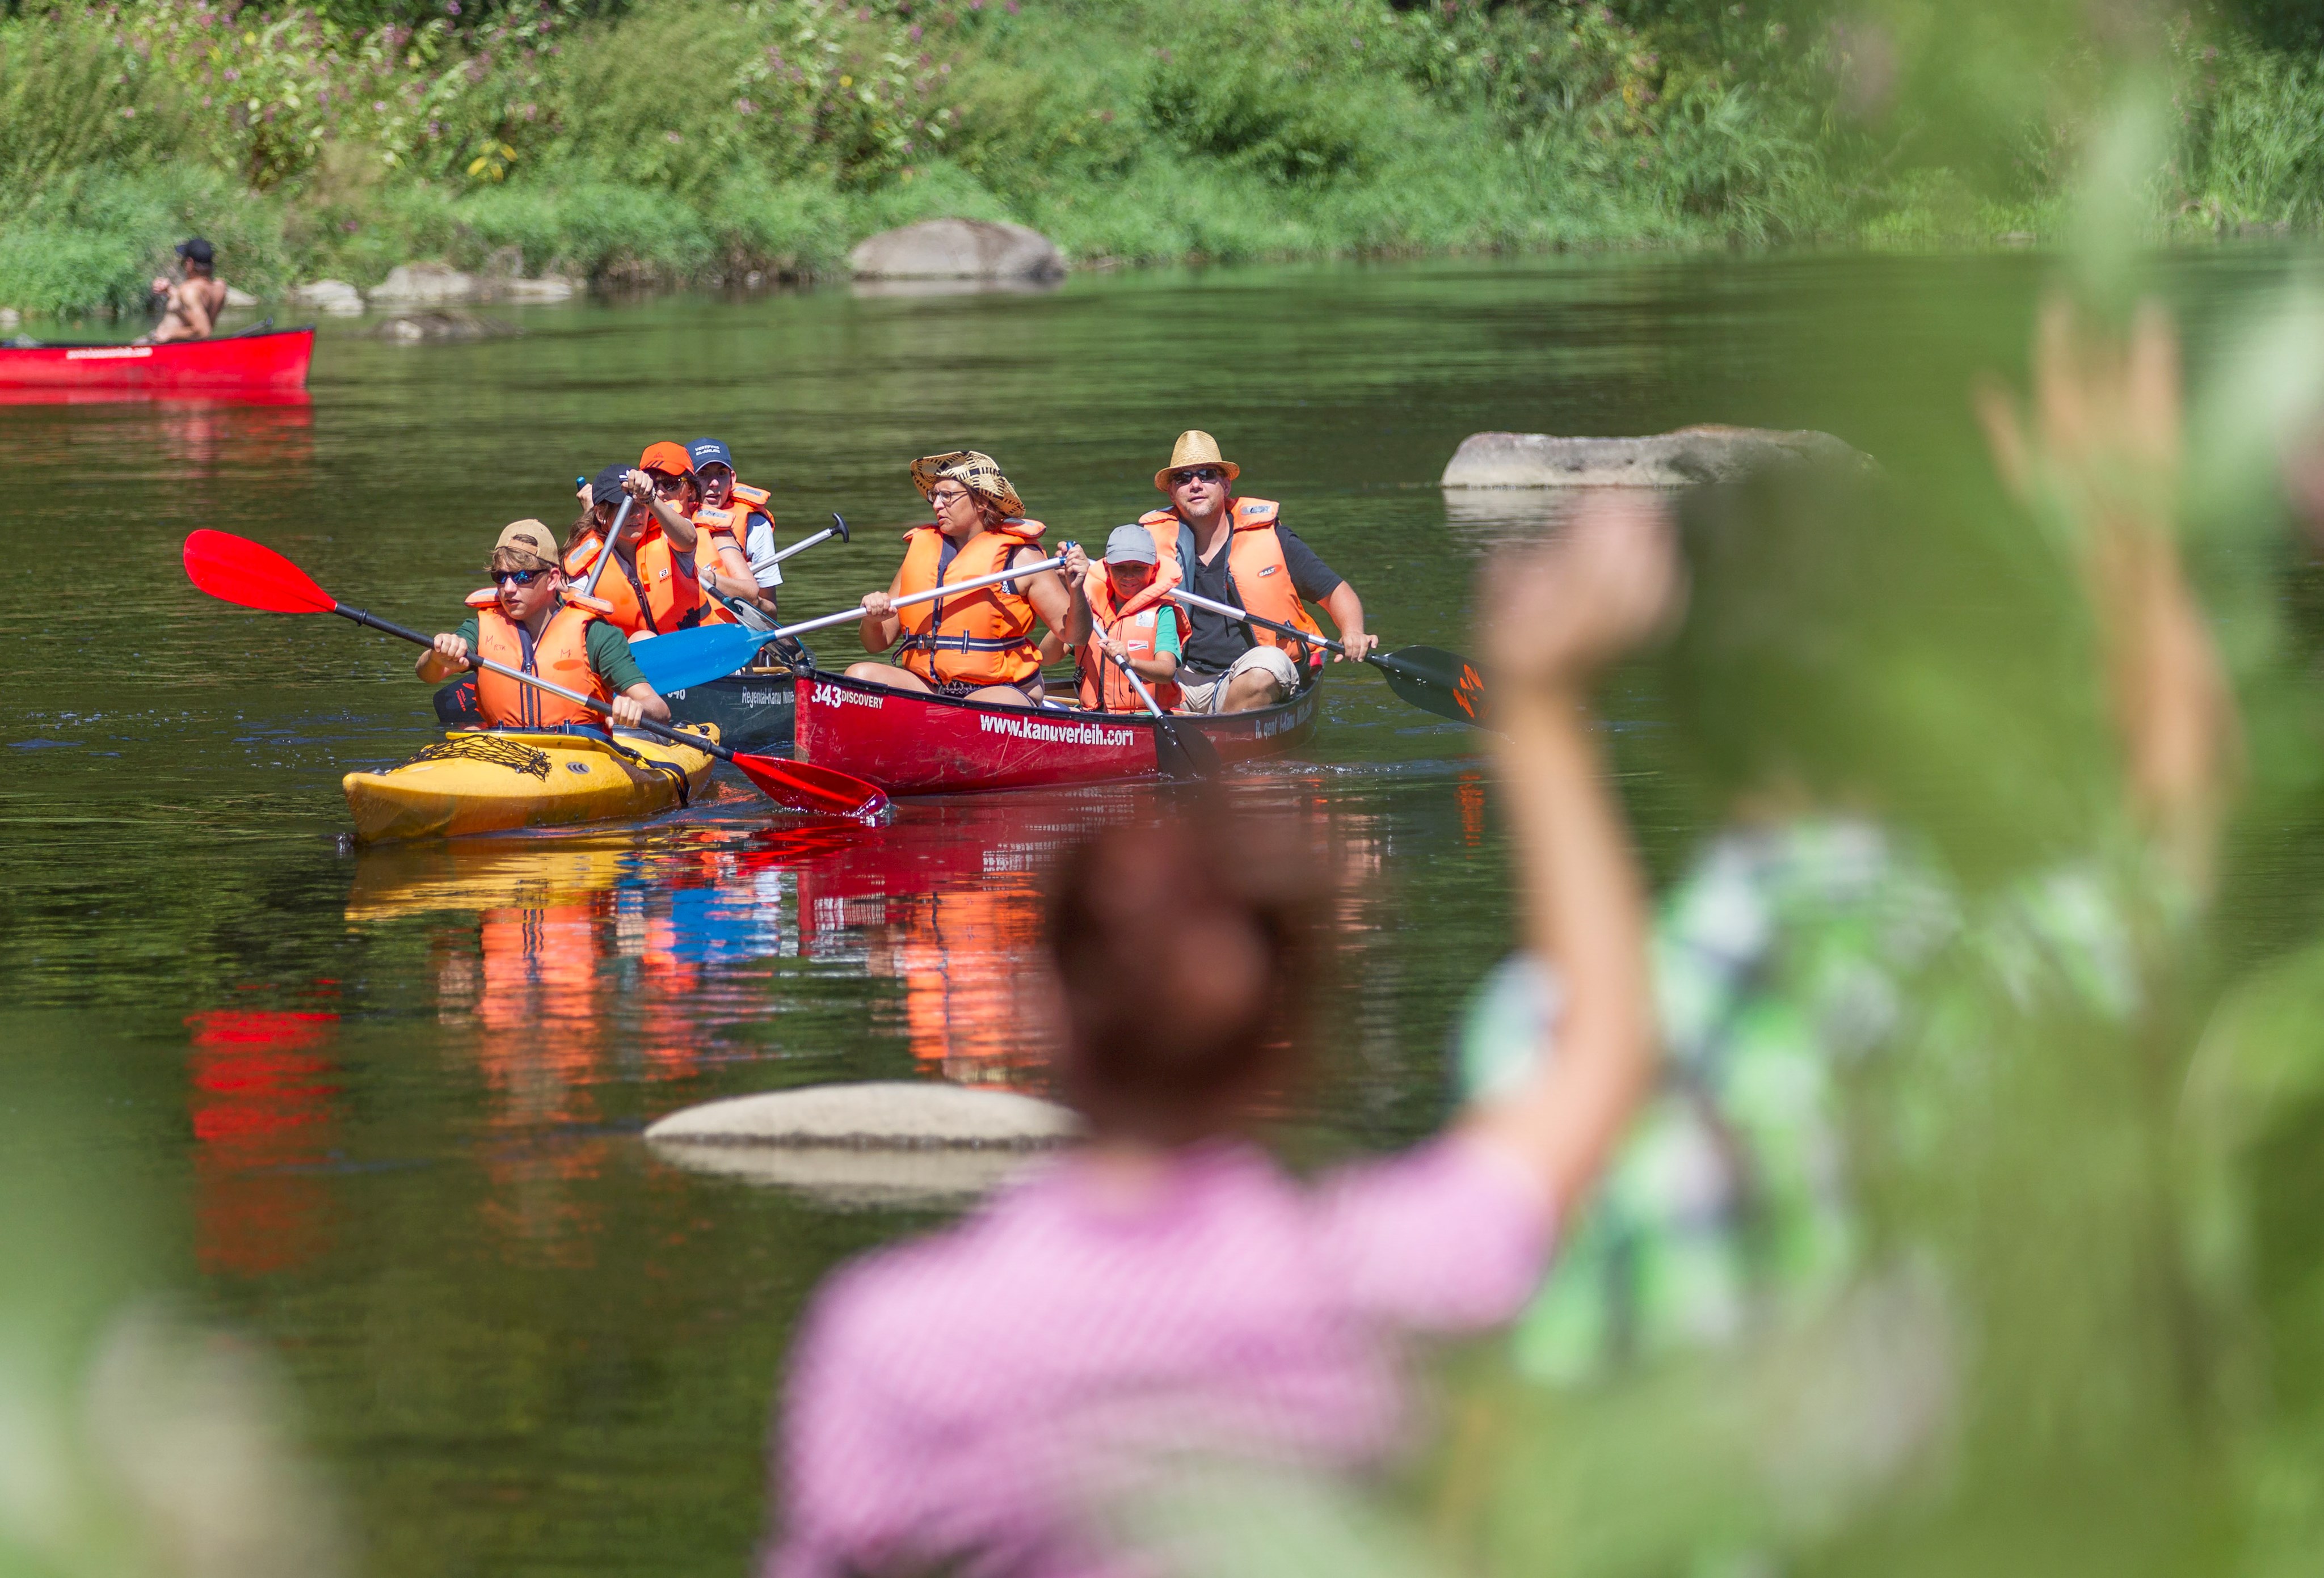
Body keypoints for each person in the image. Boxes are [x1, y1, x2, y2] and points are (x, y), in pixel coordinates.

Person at [767, 500, 1673, 1578]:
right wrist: (1544, 702)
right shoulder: (1377, 1284)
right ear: (1283, 1024)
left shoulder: (889, 1341)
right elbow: (1606, 1052)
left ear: (1042, 1004)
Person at [1139, 430, 1377, 715]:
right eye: (1183, 478)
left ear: (1225, 485)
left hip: (1247, 679)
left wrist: (1352, 632)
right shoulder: (1147, 547)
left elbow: (1336, 591)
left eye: (1206, 474)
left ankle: (1218, 733)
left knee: (1269, 666)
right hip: (1176, 682)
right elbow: (1102, 598)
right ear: (1172, 491)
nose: (1196, 484)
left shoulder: (1274, 539)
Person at [846, 450, 1074, 705]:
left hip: (1002, 689)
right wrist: (871, 620)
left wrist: (1076, 589)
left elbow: (1074, 635)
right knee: (859, 676)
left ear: (981, 502)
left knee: (983, 706)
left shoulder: (1021, 559)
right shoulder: (921, 553)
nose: (936, 505)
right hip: (930, 686)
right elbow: (877, 643)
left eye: (948, 496)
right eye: (935, 495)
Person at [415, 520, 670, 732]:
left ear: (552, 579)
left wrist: (636, 709)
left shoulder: (595, 634)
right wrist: (438, 656)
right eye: (500, 577)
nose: (509, 588)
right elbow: (427, 674)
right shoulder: (479, 628)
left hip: (579, 755)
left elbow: (659, 708)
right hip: (505, 749)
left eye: (523, 577)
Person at [560, 446, 721, 636]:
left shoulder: (667, 534)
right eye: (625, 507)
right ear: (602, 513)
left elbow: (689, 541)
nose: (636, 515)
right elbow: (576, 626)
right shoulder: (587, 566)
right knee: (642, 638)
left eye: (641, 505)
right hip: (639, 659)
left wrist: (650, 499)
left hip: (700, 647)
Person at [1061, 525, 1188, 712]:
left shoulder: (1163, 612)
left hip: (1145, 716)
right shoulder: (1088, 607)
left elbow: (1167, 672)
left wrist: (1131, 661)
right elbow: (1047, 657)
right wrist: (1074, 598)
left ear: (1154, 570)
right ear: (1107, 569)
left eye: (1139, 568)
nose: (1129, 576)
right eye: (1120, 568)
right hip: (1091, 716)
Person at [689, 437, 784, 624]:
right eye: (703, 474)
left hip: (734, 630)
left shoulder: (755, 524)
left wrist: (737, 586)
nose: (714, 483)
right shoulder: (671, 518)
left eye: (721, 473)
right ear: (688, 483)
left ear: (732, 479)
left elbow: (771, 613)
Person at [146, 237, 228, 344]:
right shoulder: (220, 287)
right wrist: (170, 290)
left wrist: (170, 333)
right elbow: (196, 304)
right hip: (193, 348)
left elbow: (203, 332)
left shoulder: (188, 290)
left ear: (190, 263)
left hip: (170, 347)